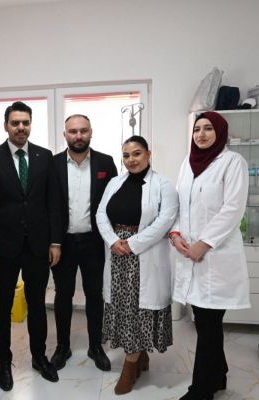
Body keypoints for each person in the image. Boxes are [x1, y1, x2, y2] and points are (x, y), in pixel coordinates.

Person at [0, 101, 62, 391]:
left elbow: (53, 202)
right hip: (3, 248)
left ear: (30, 125)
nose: (21, 128)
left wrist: (55, 242)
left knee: (37, 304)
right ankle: (4, 362)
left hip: (38, 245)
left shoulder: (44, 156)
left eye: (25, 122)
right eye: (15, 123)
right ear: (6, 126)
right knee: (2, 307)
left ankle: (39, 356)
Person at [170, 111, 249, 400]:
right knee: (205, 323)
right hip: (189, 254)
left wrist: (203, 244)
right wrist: (175, 233)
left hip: (216, 257)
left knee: (208, 324)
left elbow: (233, 209)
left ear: (220, 132)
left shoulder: (233, 162)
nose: (201, 134)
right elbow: (179, 204)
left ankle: (200, 390)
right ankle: (218, 375)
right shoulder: (187, 164)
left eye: (208, 129)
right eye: (197, 129)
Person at [96, 135, 178, 395]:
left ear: (148, 154)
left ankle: (130, 366)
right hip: (117, 254)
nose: (131, 160)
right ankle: (140, 355)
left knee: (138, 309)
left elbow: (165, 220)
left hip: (144, 253)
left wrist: (132, 244)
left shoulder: (164, 184)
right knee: (123, 307)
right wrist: (113, 241)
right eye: (126, 155)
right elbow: (100, 214)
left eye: (137, 154)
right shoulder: (114, 182)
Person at [50, 114, 117, 371]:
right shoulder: (53, 164)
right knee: (63, 295)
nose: (78, 135)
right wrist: (52, 242)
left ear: (91, 132)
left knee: (94, 295)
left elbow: (113, 200)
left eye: (83, 130)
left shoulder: (105, 162)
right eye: (73, 131)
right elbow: (48, 205)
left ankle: (95, 346)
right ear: (65, 134)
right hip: (62, 243)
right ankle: (62, 347)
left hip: (94, 242)